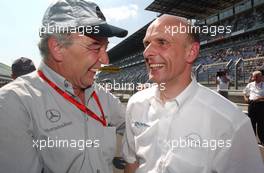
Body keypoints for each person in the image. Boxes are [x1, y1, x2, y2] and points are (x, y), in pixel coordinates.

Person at [123, 15, 264, 173]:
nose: (147, 52)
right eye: (146, 44)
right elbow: (132, 163)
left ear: (191, 52)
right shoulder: (135, 104)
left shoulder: (231, 122)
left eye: (162, 42)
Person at [0, 0, 127, 172]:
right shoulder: (13, 102)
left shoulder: (102, 95)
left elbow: (132, 127)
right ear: (58, 47)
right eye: (96, 47)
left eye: (106, 47)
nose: (106, 60)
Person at [244, 71, 264, 145]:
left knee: (261, 123)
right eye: (253, 77)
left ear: (260, 76)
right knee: (251, 122)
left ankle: (262, 139)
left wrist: (260, 98)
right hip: (252, 105)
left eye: (255, 77)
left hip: (261, 105)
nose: (253, 78)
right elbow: (245, 92)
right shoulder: (250, 85)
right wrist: (245, 98)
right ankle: (252, 140)